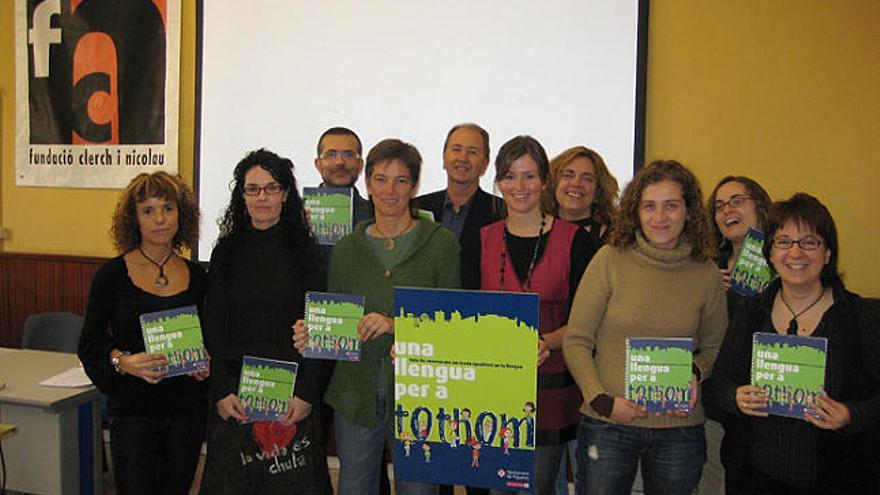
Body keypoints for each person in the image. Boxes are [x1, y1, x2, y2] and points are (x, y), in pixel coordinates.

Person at [294, 138, 461, 495]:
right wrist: (313, 333)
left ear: (414, 186)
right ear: (367, 184)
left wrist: (396, 325)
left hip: (420, 396)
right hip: (355, 395)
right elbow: (337, 321)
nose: (390, 190)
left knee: (419, 490)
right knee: (355, 488)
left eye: (401, 180)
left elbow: (453, 323)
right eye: (381, 179)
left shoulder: (441, 243)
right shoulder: (347, 249)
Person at [563, 160, 728, 495]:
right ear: (635, 211)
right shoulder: (609, 260)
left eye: (671, 206)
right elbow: (577, 340)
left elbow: (715, 345)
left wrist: (696, 371)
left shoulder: (706, 272)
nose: (660, 217)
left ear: (689, 211)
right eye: (649, 206)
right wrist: (602, 400)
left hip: (679, 429)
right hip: (609, 424)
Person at [710, 193, 880, 494]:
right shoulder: (751, 311)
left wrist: (851, 415)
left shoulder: (860, 316)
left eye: (809, 242)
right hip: (754, 478)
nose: (796, 253)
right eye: (784, 242)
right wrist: (736, 398)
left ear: (827, 252)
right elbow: (718, 385)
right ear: (771, 254)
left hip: (838, 479)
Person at [462, 135, 594, 495]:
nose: (519, 187)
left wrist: (545, 342)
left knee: (538, 487)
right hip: (492, 389)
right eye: (510, 176)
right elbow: (464, 316)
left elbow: (588, 323)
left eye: (530, 176)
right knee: (496, 487)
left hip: (551, 388)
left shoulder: (576, 241)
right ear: (498, 181)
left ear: (545, 181)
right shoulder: (479, 239)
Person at [200, 149, 331, 493]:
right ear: (240, 195)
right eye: (252, 188)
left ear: (286, 194)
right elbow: (213, 326)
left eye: (272, 188)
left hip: (291, 399)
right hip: (236, 396)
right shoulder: (225, 251)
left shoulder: (307, 252)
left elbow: (319, 332)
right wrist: (221, 390)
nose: (262, 197)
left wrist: (306, 395)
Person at [78, 172, 208, 494]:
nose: (160, 219)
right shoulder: (111, 275)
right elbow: (90, 341)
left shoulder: (199, 275)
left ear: (182, 214)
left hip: (186, 411)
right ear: (134, 219)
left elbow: (211, 338)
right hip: (134, 410)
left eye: (168, 208)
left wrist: (208, 361)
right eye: (148, 210)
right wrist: (123, 361)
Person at [700, 175, 772, 494]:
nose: (727, 209)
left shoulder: (785, 260)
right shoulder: (705, 266)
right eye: (719, 205)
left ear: (759, 207)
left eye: (737, 200)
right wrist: (704, 285)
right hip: (715, 399)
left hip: (765, 402)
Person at [417, 123, 505, 246]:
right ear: (444, 158)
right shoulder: (417, 209)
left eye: (472, 152)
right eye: (456, 149)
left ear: (485, 164)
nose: (463, 158)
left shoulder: (502, 213)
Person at [542, 146, 619, 247]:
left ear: (598, 191)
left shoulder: (616, 239)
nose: (576, 183)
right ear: (553, 183)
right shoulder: (535, 231)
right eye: (568, 175)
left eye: (587, 178)